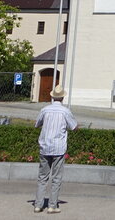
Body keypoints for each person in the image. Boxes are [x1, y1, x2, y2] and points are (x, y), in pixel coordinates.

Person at [34, 85, 78, 213]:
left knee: (42, 177)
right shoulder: (65, 111)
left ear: (52, 96)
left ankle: (38, 204)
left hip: (45, 146)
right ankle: (52, 205)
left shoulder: (45, 110)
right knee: (56, 177)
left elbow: (37, 124)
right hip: (58, 148)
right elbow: (74, 127)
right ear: (62, 97)